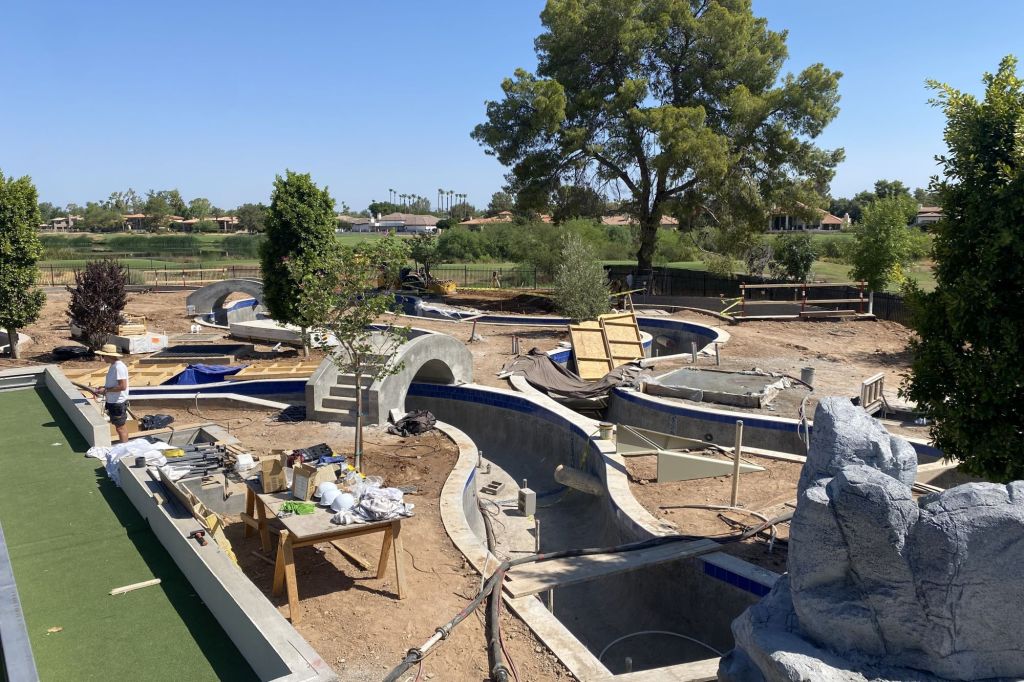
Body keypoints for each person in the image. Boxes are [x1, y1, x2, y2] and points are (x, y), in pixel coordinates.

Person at [94, 343, 130, 442]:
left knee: (120, 428)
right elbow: (115, 383)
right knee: (119, 427)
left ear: (109, 356)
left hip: (117, 403)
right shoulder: (114, 366)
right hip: (113, 401)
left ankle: (124, 449)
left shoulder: (119, 367)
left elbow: (122, 386)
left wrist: (105, 390)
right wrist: (105, 388)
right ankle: (124, 447)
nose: (102, 358)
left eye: (103, 356)